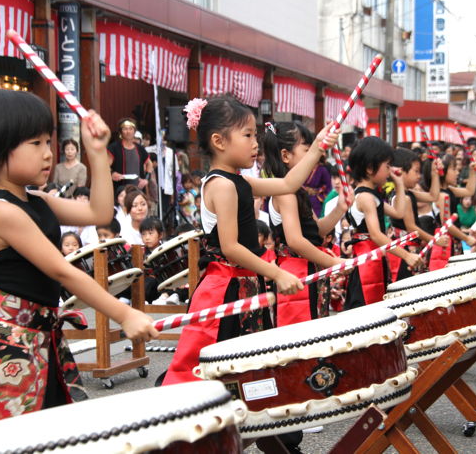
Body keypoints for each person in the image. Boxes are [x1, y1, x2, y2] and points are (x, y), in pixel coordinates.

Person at [0, 89, 158, 435]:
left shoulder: (35, 199)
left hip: (38, 337)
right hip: (5, 347)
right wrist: (124, 313)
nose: (47, 153)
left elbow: (98, 212)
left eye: (48, 141)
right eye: (36, 144)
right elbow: (60, 269)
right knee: (14, 441)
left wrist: (97, 152)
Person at [163, 96, 337, 387]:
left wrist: (318, 145)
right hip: (226, 288)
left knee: (250, 370)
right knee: (220, 374)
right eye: (247, 135)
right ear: (219, 141)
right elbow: (230, 247)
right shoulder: (221, 185)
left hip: (245, 285)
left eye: (255, 135)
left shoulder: (239, 181)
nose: (255, 143)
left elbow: (287, 184)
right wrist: (278, 273)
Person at [262, 121, 351, 326]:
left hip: (309, 267)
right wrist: (334, 263)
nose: (316, 156)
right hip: (296, 271)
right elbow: (295, 240)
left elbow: (317, 230)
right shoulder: (284, 193)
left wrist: (340, 208)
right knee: (301, 338)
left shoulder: (297, 192)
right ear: (285, 156)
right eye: (307, 149)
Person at [345, 137, 423, 309]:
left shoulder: (372, 195)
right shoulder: (365, 197)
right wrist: (406, 255)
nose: (390, 171)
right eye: (387, 166)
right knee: (366, 308)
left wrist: (399, 184)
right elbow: (376, 234)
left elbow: (398, 212)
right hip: (367, 258)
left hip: (375, 255)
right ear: (370, 168)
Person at [388, 148, 445, 281]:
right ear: (401, 171)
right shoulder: (404, 198)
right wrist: (434, 239)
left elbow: (433, 196)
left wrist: (434, 174)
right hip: (406, 250)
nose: (419, 176)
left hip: (411, 248)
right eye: (416, 171)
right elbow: (411, 227)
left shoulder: (408, 194)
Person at [107, 118, 150, 191]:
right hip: (120, 190)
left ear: (134, 131)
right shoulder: (114, 148)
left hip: (138, 189)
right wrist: (112, 173)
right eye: (125, 129)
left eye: (131, 129)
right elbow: (105, 166)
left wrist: (146, 179)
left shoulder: (140, 148)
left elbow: (149, 164)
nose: (128, 131)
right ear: (120, 132)